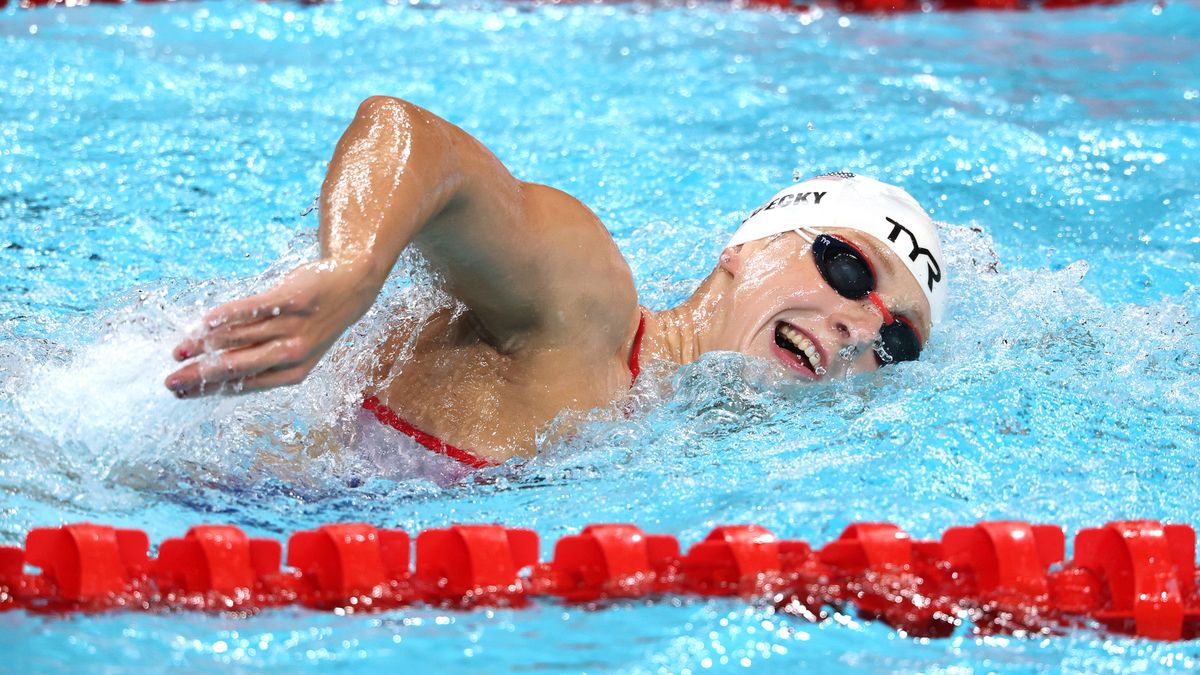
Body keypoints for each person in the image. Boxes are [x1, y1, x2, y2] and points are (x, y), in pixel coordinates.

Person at [164, 96, 947, 474]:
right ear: (744, 247)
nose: (857, 326)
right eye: (846, 266)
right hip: (162, 452)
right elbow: (408, 134)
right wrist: (351, 270)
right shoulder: (589, 310)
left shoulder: (672, 440)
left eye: (897, 340)